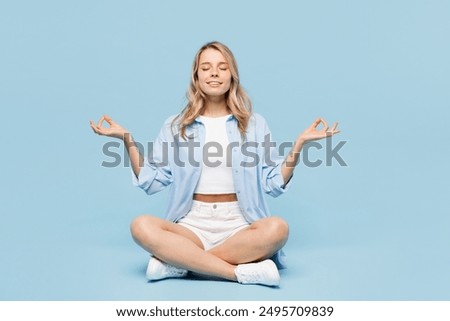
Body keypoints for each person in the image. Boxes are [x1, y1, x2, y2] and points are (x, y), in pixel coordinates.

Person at [90, 41, 339, 287]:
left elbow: (272, 183)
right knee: (141, 225)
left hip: (239, 225)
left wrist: (299, 144)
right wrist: (127, 140)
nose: (214, 74)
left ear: (232, 75)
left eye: (222, 67)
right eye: (206, 67)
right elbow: (152, 182)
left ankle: (179, 263)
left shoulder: (255, 124)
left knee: (278, 229)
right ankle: (238, 273)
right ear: (196, 76)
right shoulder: (175, 126)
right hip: (191, 225)